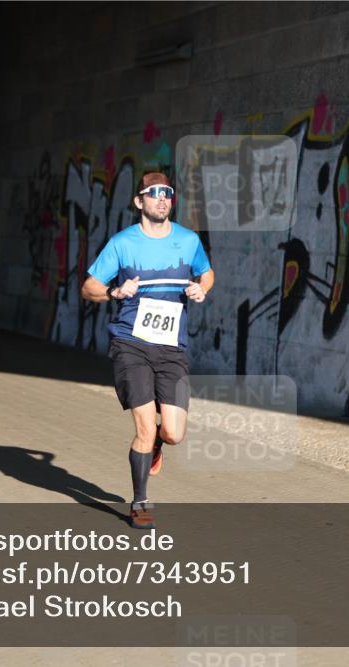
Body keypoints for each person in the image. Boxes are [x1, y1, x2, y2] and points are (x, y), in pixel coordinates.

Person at [80, 172, 214, 529]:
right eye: (154, 194)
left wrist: (202, 289)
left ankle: (156, 443)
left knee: (173, 433)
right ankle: (140, 502)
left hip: (172, 348)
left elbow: (207, 273)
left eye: (167, 194)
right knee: (144, 427)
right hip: (131, 345)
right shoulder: (122, 243)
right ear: (139, 201)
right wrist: (114, 292)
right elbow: (89, 286)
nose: (162, 199)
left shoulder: (188, 241)